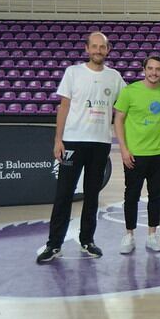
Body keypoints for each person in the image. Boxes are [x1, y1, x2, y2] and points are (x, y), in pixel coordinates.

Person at [36, 32, 125, 263]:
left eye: (102, 47)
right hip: (73, 141)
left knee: (92, 196)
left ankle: (88, 240)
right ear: (86, 49)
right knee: (64, 194)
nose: (98, 50)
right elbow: (63, 107)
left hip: (100, 143)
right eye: (94, 46)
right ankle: (54, 244)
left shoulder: (114, 77)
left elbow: (126, 106)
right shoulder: (73, 72)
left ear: (108, 49)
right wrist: (58, 139)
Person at [113, 55, 160, 255]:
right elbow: (118, 120)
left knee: (155, 197)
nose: (154, 72)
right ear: (144, 69)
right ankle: (129, 235)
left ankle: (152, 235)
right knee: (131, 196)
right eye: (150, 68)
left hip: (158, 154)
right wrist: (124, 150)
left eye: (158, 69)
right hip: (135, 155)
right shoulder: (130, 91)